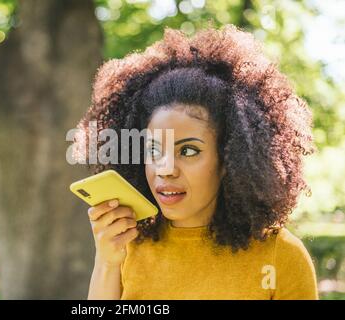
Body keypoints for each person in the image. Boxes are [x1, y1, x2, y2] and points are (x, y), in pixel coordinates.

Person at [75, 24, 318, 300]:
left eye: (188, 151)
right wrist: (107, 263)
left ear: (229, 158)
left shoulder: (281, 255)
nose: (165, 169)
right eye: (153, 150)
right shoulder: (126, 247)